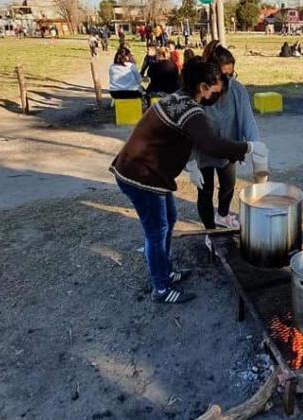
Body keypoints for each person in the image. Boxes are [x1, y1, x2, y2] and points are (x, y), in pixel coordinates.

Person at [110, 58, 268, 304]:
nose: (219, 93)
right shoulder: (190, 110)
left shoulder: (179, 98)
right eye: (216, 89)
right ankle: (161, 288)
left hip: (150, 174)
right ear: (203, 87)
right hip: (140, 175)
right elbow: (211, 144)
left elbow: (198, 141)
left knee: (169, 220)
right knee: (156, 232)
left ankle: (166, 272)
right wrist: (248, 147)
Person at [187, 41, 262, 231]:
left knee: (229, 184)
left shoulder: (237, 90)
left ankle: (222, 215)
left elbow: (248, 121)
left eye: (231, 74)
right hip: (202, 151)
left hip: (227, 148)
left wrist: (256, 147)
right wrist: (191, 163)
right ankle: (210, 230)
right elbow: (186, 130)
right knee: (206, 190)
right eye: (224, 75)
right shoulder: (199, 92)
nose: (228, 80)